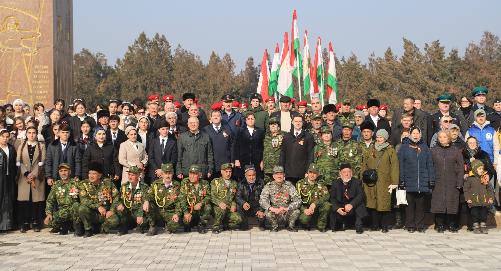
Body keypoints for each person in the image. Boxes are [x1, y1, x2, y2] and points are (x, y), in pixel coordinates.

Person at [361, 129, 399, 233]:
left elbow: (394, 167)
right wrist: (363, 178)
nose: (379, 139)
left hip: (385, 181)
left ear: (385, 138)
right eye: (377, 137)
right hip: (371, 181)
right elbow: (364, 164)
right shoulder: (371, 149)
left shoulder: (390, 150)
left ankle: (385, 225)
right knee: (372, 202)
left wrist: (394, 182)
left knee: (384, 203)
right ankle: (374, 225)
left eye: (381, 137)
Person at [398, 127, 435, 232]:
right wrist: (401, 180)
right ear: (410, 134)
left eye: (417, 133)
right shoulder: (404, 148)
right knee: (409, 205)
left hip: (422, 181)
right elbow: (401, 165)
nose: (415, 135)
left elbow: (430, 165)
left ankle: (420, 225)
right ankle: (410, 225)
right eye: (413, 133)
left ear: (420, 134)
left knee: (420, 205)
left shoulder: (425, 148)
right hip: (409, 180)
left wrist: (431, 179)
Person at [431, 130, 464, 233]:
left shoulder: (456, 151)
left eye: (444, 137)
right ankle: (439, 224)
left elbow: (460, 167)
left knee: (452, 203)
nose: (442, 139)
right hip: (438, 181)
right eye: (440, 137)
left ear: (449, 138)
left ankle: (452, 224)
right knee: (438, 203)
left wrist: (459, 182)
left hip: (452, 181)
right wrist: (431, 181)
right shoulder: (433, 150)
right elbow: (430, 166)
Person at [15, 126, 46, 232]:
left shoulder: (41, 146)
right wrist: (26, 173)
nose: (31, 135)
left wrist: (33, 174)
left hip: (37, 177)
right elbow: (19, 161)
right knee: (24, 200)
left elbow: (42, 161)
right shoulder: (21, 145)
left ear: (36, 134)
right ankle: (24, 222)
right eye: (29, 133)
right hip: (24, 178)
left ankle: (36, 222)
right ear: (26, 134)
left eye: (33, 133)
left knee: (36, 201)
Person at [78, 162, 120, 237]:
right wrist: (98, 206)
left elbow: (116, 196)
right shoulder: (83, 184)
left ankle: (102, 228)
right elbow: (84, 200)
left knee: (115, 220)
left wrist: (112, 210)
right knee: (82, 208)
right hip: (91, 213)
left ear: (100, 175)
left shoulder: (107, 183)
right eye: (89, 173)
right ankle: (88, 229)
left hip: (104, 214)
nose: (91, 176)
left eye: (94, 173)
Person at [259, 165, 301, 232]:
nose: (279, 176)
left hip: (286, 211)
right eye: (277, 174)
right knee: (268, 213)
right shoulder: (269, 186)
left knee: (296, 211)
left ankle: (290, 226)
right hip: (275, 212)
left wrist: (287, 208)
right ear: (273, 176)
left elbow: (298, 200)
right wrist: (272, 209)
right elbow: (262, 200)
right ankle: (274, 226)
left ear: (284, 175)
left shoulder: (289, 185)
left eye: (281, 174)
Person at [44, 163, 82, 236]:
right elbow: (50, 200)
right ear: (58, 172)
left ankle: (76, 226)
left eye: (65, 171)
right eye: (61, 171)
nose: (63, 173)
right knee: (50, 222)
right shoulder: (56, 185)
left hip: (74, 211)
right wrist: (48, 213)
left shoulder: (76, 183)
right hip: (63, 212)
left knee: (76, 206)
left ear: (70, 172)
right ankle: (65, 225)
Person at [330, 163, 367, 234]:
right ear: (340, 173)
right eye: (344, 172)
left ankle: (358, 225)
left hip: (352, 206)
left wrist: (351, 205)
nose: (347, 174)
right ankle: (340, 224)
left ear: (351, 173)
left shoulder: (357, 182)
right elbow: (332, 198)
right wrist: (337, 209)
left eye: (349, 172)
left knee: (360, 204)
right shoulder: (335, 183)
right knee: (332, 210)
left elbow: (361, 195)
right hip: (341, 207)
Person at [146, 163, 181, 235]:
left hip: (169, 211)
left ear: (173, 173)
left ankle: (168, 225)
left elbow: (179, 202)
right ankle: (152, 226)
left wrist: (177, 214)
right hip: (157, 211)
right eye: (166, 173)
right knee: (149, 204)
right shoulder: (156, 184)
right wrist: (146, 201)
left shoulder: (177, 185)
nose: (168, 175)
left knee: (175, 226)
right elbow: (149, 195)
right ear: (162, 174)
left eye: (170, 173)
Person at [280, 115, 314, 184]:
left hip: (302, 173)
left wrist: (308, 171)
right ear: (292, 122)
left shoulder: (308, 136)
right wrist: (281, 171)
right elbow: (282, 154)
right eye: (296, 121)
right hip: (288, 173)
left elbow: (310, 155)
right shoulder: (286, 136)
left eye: (300, 121)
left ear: (303, 123)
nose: (298, 123)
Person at [296, 164, 331, 232]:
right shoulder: (300, 184)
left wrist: (315, 203)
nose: (312, 175)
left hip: (316, 207)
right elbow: (296, 199)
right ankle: (306, 224)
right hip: (305, 207)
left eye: (315, 173)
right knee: (304, 219)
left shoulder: (321, 184)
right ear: (307, 173)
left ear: (317, 174)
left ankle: (321, 225)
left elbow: (326, 196)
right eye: (310, 172)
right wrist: (304, 210)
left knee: (327, 205)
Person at [116, 166, 150, 235]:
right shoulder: (124, 186)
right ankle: (124, 226)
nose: (130, 177)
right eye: (129, 174)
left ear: (138, 175)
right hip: (128, 212)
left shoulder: (144, 187)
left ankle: (140, 225)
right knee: (118, 208)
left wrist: (140, 214)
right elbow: (118, 198)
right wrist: (119, 204)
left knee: (148, 208)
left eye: (132, 175)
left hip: (138, 212)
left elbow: (145, 200)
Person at [464, 160, 494, 234]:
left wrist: (490, 198)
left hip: (484, 201)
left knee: (484, 214)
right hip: (474, 201)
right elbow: (466, 189)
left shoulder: (484, 178)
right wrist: (468, 198)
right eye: (479, 169)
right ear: (474, 169)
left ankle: (483, 226)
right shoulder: (470, 179)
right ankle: (476, 226)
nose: (481, 170)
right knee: (475, 214)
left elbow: (490, 189)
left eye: (482, 168)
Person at [179, 164, 212, 233]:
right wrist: (186, 213)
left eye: (194, 174)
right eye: (190, 174)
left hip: (200, 209)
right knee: (186, 224)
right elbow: (182, 199)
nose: (192, 176)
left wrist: (201, 203)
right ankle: (191, 223)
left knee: (208, 207)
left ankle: (201, 225)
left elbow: (209, 196)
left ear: (199, 175)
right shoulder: (185, 182)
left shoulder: (205, 183)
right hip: (189, 209)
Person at [210, 163, 242, 233]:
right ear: (221, 172)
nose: (228, 174)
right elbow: (212, 196)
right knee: (221, 210)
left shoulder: (234, 183)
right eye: (226, 171)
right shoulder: (215, 182)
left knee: (239, 219)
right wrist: (219, 203)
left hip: (228, 208)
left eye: (230, 171)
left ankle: (225, 224)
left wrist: (233, 205)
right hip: (217, 208)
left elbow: (234, 197)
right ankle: (216, 227)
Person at [203, 110, 234, 178]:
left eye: (218, 116)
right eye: (214, 116)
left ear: (221, 117)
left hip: (225, 164)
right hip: (212, 165)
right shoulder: (205, 130)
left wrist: (232, 160)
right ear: (210, 118)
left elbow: (232, 145)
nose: (216, 117)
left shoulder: (227, 129)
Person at [233, 112, 265, 179]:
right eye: (248, 119)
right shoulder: (240, 131)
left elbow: (262, 147)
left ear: (255, 120)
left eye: (252, 119)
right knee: (243, 179)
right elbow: (236, 146)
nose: (250, 120)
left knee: (256, 178)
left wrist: (262, 161)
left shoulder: (260, 131)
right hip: (243, 160)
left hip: (256, 160)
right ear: (246, 120)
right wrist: (236, 160)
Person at [236, 165, 265, 230]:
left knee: (262, 218)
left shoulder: (261, 183)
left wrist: (261, 210)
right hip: (247, 206)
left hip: (257, 206)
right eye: (249, 175)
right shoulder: (241, 184)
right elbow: (238, 197)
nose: (251, 177)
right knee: (239, 206)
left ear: (255, 175)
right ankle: (244, 224)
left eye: (253, 175)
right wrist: (243, 203)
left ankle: (261, 223)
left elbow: (265, 198)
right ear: (245, 176)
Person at [0, 129, 17, 231]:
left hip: (9, 178)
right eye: (3, 137)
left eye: (7, 137)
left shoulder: (11, 148)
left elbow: (15, 164)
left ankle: (7, 225)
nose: (5, 139)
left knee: (8, 200)